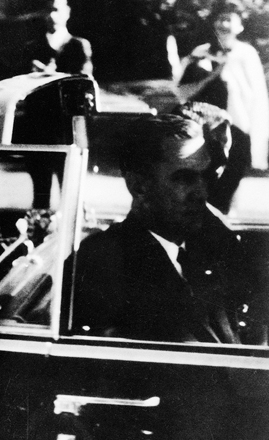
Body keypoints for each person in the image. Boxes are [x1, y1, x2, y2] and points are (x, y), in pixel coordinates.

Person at [72, 114, 263, 344]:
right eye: (184, 178)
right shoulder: (102, 262)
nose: (201, 193)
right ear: (139, 187)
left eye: (204, 177)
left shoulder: (206, 248)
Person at [178, 0, 269, 172]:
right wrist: (210, 75)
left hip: (236, 123)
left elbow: (257, 94)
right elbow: (183, 88)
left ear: (240, 27)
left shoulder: (246, 53)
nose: (223, 24)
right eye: (220, 19)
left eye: (229, 20)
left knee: (232, 169)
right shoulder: (202, 51)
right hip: (205, 121)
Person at [19, 0, 93, 76]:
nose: (51, 15)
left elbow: (85, 80)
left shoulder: (79, 46)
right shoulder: (31, 48)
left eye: (56, 10)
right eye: (48, 10)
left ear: (67, 12)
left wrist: (51, 75)